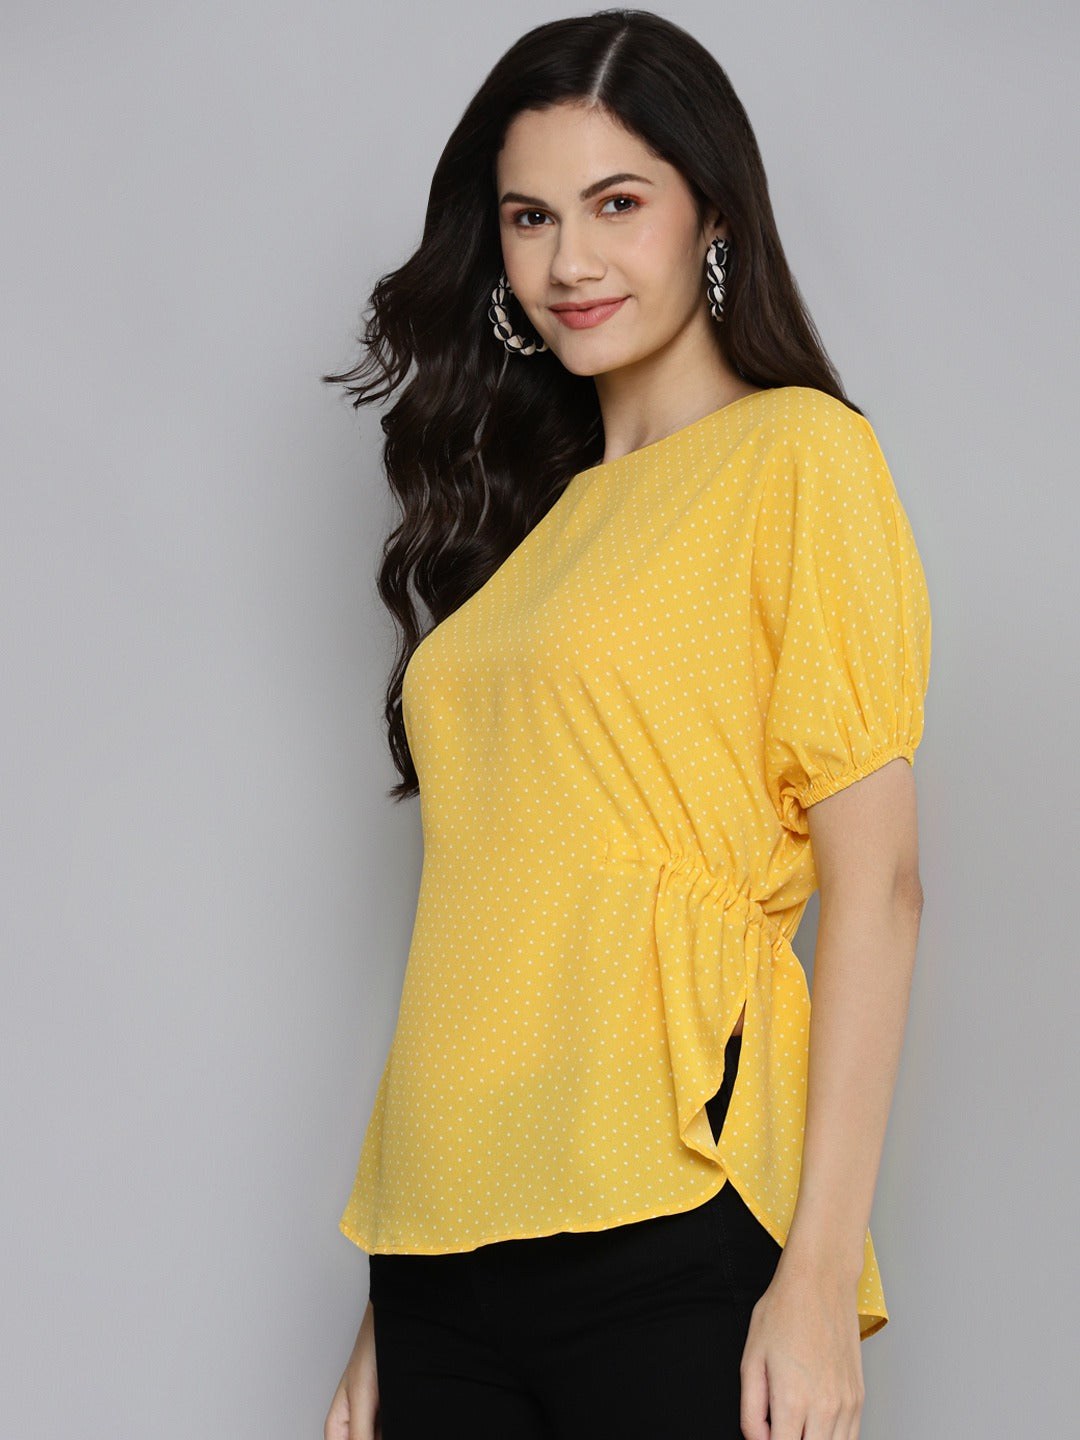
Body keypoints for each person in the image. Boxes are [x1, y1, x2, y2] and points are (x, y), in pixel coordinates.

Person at [322, 9, 931, 1439]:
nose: (569, 264)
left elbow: (883, 887)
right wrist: (386, 1300)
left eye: (617, 204)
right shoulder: (527, 536)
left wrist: (816, 1274)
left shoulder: (798, 457)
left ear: (712, 214)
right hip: (439, 1251)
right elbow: (493, 909)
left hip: (666, 1217)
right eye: (529, 217)